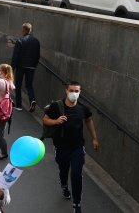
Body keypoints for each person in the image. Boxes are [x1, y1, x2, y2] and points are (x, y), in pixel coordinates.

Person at [43, 81, 100, 213]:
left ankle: (77, 203)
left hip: (77, 148)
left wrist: (94, 138)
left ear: (80, 92)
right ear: (66, 91)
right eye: (71, 90)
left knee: (76, 174)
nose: (74, 93)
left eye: (76, 91)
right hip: (61, 147)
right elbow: (45, 119)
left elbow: (89, 120)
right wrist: (56, 121)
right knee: (64, 170)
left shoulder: (83, 108)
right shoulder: (56, 106)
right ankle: (64, 185)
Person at [11, 22, 40, 112]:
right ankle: (32, 100)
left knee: (18, 85)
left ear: (23, 30)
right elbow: (38, 55)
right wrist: (34, 65)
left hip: (21, 66)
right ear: (30, 30)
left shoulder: (20, 40)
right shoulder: (36, 41)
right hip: (31, 67)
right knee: (29, 85)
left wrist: (12, 68)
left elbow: (15, 55)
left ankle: (19, 105)